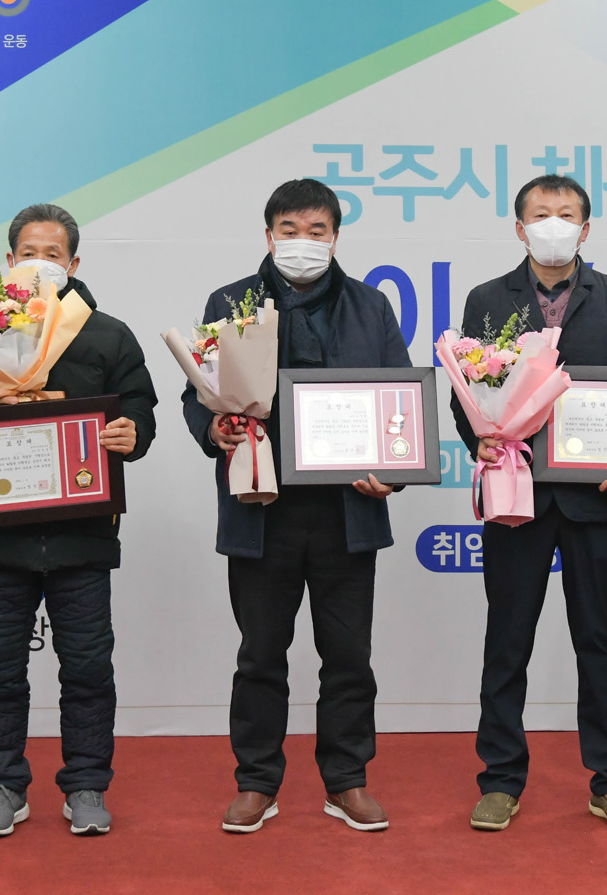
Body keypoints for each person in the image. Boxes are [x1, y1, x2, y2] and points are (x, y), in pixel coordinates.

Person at [182, 179, 409, 835]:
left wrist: (393, 472)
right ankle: (257, 782)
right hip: (262, 508)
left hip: (347, 512)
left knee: (349, 656)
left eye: (316, 231)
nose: (302, 242)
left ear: (335, 237)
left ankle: (347, 780)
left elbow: (399, 400)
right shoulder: (230, 303)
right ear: (268, 234)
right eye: (290, 230)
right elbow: (197, 393)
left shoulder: (371, 306)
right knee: (260, 654)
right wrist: (214, 428)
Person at [0, 204, 157, 839]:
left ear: (73, 263)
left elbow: (140, 408)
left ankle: (86, 784)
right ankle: (4, 785)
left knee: (87, 669)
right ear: (9, 261)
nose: (39, 262)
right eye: (29, 252)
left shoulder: (107, 334)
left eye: (52, 254)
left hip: (83, 536)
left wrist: (132, 432)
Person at [451, 174, 607, 834]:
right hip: (518, 493)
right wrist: (480, 440)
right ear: (520, 228)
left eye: (566, 214)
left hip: (596, 500)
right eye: (541, 215)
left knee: (599, 642)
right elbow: (467, 393)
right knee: (507, 642)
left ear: (586, 229)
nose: (554, 225)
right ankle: (500, 780)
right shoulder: (487, 299)